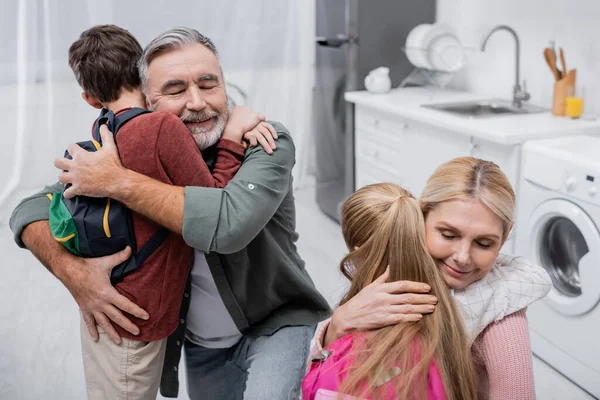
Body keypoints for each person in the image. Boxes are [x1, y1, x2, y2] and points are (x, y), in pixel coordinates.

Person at [10, 27, 330, 399]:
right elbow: (29, 209)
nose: (196, 102)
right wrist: (75, 274)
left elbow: (226, 226)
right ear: (147, 101)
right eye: (176, 90)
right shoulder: (130, 146)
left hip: (275, 325)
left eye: (209, 85)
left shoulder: (264, 140)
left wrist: (118, 182)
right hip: (199, 345)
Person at [62, 24, 280, 399]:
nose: (194, 102)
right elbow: (214, 198)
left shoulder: (102, 132)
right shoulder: (160, 127)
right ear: (140, 74)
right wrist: (230, 138)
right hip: (138, 313)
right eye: (176, 89)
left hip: (110, 300)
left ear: (89, 98)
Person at [311, 157, 552, 400]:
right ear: (421, 217)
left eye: (484, 243)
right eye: (448, 235)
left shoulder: (501, 308)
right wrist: (338, 324)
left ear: (506, 234)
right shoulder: (392, 271)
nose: (462, 257)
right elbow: (321, 369)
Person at [303, 183, 477, 400]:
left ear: (358, 253)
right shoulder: (448, 317)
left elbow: (315, 387)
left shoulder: (352, 355)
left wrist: (333, 338)